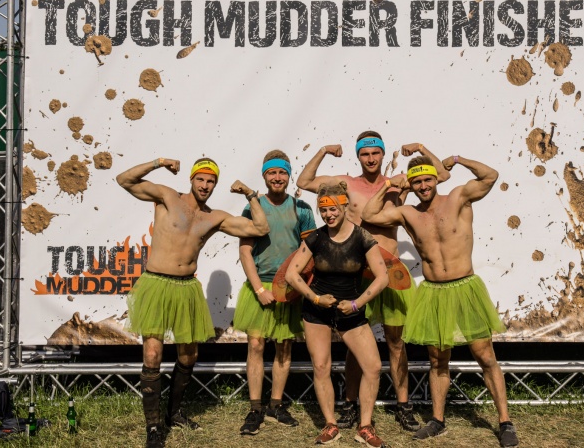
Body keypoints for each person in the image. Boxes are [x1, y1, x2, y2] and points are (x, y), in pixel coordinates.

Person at [361, 154, 520, 448]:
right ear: (411, 185)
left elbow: (490, 175)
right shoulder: (408, 213)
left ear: (435, 179)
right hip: (434, 291)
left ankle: (505, 422)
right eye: (417, 182)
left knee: (485, 356)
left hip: (465, 287)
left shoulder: (458, 198)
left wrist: (458, 159)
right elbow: (369, 215)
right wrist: (388, 185)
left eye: (427, 180)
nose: (423, 186)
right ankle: (437, 420)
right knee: (437, 360)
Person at [296, 133, 448, 431]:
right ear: (358, 156)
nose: (370, 159)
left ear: (383, 154)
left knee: (396, 342)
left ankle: (403, 405)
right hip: (357, 275)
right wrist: (324, 150)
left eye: (375, 153)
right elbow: (304, 181)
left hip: (390, 273)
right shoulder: (346, 184)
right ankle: (350, 404)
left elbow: (441, 174)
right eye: (365, 154)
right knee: (354, 346)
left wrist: (420, 148)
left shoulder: (399, 183)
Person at [117, 157, 270, 448]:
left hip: (187, 287)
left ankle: (174, 413)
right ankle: (153, 427)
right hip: (156, 283)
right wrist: (158, 162)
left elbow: (260, 229)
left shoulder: (215, 217)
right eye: (201, 179)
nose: (205, 185)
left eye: (211, 181)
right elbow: (124, 180)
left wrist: (251, 195)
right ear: (191, 179)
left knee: (189, 356)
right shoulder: (167, 197)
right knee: (152, 354)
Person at [285, 182, 390, 447]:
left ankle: (365, 427)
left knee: (373, 367)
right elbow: (291, 274)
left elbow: (383, 278)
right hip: (316, 311)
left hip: (350, 311)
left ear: (344, 206)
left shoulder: (362, 237)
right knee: (321, 367)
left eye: (332, 209)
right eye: (323, 210)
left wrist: (356, 304)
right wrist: (315, 298)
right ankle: (331, 425)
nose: (328, 215)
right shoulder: (316, 238)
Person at [233, 151, 316, 435]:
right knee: (256, 346)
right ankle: (255, 408)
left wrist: (298, 285)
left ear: (289, 175)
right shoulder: (253, 208)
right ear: (264, 176)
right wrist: (258, 289)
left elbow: (309, 252)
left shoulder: (302, 208)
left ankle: (276, 405)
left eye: (282, 172)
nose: (277, 178)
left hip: (289, 288)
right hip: (260, 287)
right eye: (272, 173)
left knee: (284, 347)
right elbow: (245, 252)